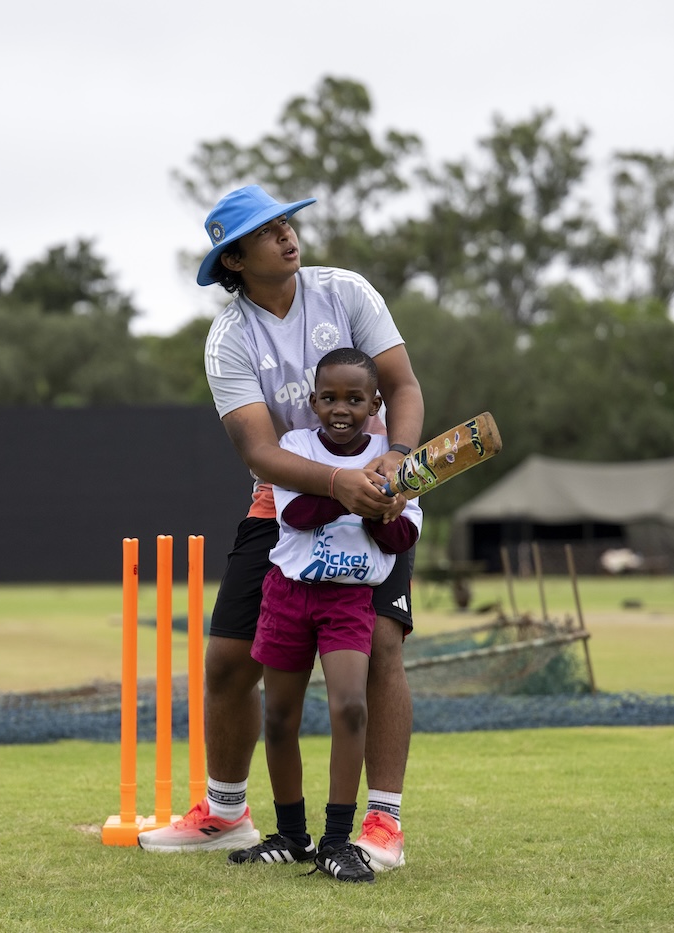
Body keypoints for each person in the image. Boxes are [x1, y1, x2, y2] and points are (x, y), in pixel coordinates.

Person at [139, 185, 425, 874]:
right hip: (284, 507)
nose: (287, 236)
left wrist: (393, 458)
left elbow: (404, 386)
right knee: (229, 662)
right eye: (267, 233)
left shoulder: (346, 292)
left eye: (286, 224)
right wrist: (332, 482)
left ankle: (382, 822)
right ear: (233, 260)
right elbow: (257, 452)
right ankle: (227, 812)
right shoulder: (229, 338)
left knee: (382, 647)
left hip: (380, 499)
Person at [228, 348, 421, 882]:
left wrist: (386, 509)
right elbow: (298, 512)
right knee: (281, 717)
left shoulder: (394, 460)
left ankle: (337, 842)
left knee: (351, 707)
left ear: (374, 404)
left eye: (355, 399)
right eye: (330, 398)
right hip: (289, 593)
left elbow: (402, 536)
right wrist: (356, 492)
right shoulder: (296, 446)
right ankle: (292, 834)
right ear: (313, 402)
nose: (341, 408)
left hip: (349, 600)